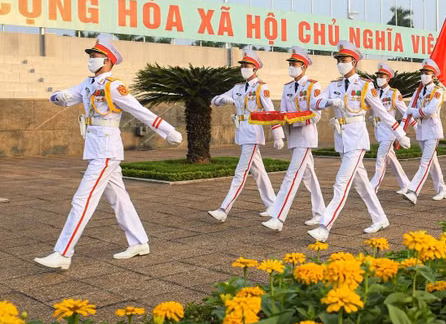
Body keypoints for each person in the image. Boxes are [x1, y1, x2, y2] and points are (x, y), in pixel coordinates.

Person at [34, 35, 183, 270]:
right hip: (95, 147)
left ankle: (63, 252)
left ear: (107, 60)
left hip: (106, 149)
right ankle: (139, 242)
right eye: (90, 56)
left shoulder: (113, 86)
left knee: (82, 199)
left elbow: (139, 110)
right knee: (118, 198)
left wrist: (167, 130)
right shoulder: (87, 84)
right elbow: (65, 99)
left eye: (94, 57)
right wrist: (57, 96)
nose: (91, 60)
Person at [308, 41, 412, 242]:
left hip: (356, 140)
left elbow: (382, 111)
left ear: (354, 61)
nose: (340, 63)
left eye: (344, 60)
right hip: (341, 139)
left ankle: (324, 226)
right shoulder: (334, 85)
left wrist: (400, 133)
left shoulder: (365, 86)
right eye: (338, 60)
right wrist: (330, 101)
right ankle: (380, 218)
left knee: (341, 183)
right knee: (362, 184)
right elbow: (315, 102)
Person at [208, 48, 284, 223]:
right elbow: (214, 100)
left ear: (255, 68)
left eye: (247, 65)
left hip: (253, 133)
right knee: (258, 171)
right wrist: (222, 99)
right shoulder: (238, 88)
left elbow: (270, 111)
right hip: (242, 132)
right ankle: (273, 205)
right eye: (242, 65)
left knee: (240, 173)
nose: (244, 68)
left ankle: (223, 209)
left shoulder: (261, 88)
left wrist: (278, 134)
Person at [262, 47, 326, 232]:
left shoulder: (313, 86)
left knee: (292, 175)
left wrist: (295, 120)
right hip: (293, 137)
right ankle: (320, 211)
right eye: (290, 64)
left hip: (306, 136)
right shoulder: (286, 87)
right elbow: (282, 112)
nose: (291, 67)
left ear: (304, 66)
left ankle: (278, 216)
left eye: (294, 64)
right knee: (309, 175)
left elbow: (316, 115)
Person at [402, 59, 446, 204]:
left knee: (425, 162)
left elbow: (429, 111)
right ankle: (442, 189)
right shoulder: (419, 91)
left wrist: (414, 112)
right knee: (432, 162)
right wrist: (401, 128)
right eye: (422, 73)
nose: (423, 75)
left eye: (427, 73)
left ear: (434, 76)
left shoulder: (437, 91)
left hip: (432, 130)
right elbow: (407, 110)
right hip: (422, 130)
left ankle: (413, 190)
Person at [369, 62, 411, 194]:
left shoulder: (394, 93)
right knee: (391, 159)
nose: (379, 78)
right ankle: (407, 185)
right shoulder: (374, 92)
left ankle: (372, 187)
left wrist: (404, 131)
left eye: (382, 76)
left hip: (389, 130)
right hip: (378, 129)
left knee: (381, 158)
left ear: (388, 78)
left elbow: (405, 111)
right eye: (378, 75)